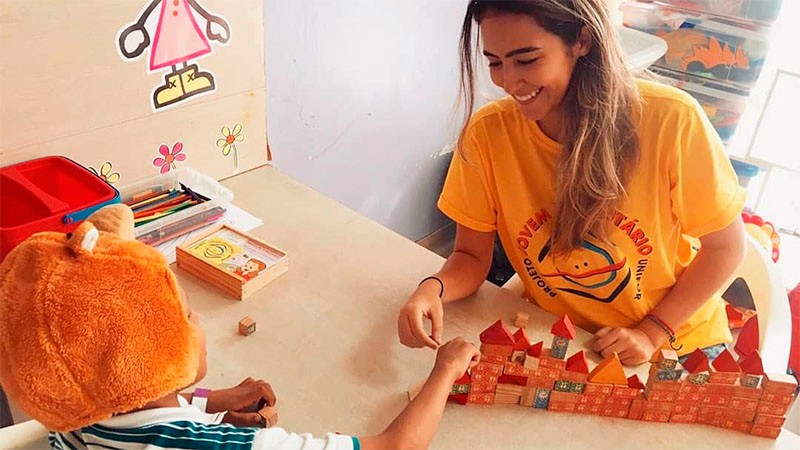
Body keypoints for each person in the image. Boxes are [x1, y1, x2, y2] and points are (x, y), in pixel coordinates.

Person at [398, 0, 746, 366]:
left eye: (527, 59)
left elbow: (725, 249)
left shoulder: (672, 121)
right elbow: (470, 257)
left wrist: (651, 332)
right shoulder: (488, 135)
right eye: (495, 63)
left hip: (679, 340)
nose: (508, 82)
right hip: (567, 338)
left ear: (581, 40)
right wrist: (431, 289)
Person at [0, 205, 480, 450]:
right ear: (158, 353)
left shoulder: (76, 411)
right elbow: (394, 448)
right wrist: (447, 369)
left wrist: (213, 401)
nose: (199, 320)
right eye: (186, 312)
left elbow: (133, 407)